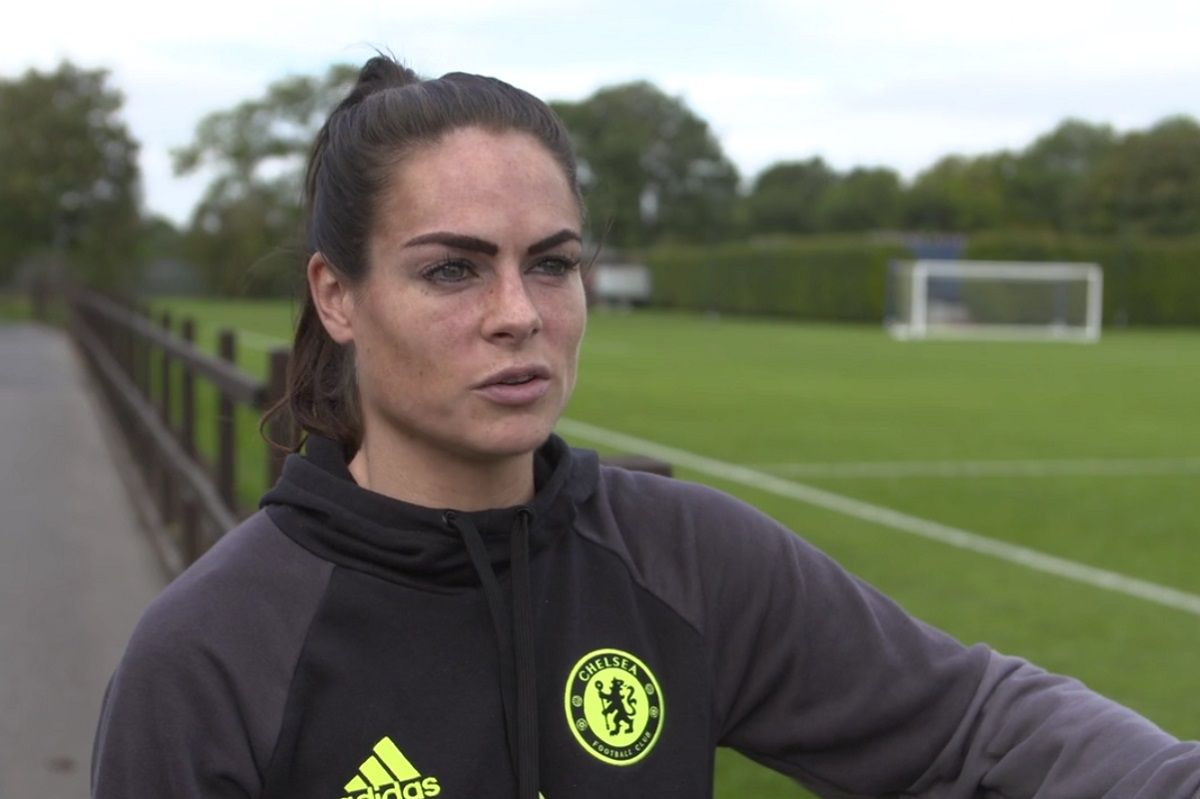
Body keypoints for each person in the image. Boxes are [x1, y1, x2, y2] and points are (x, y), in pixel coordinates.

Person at [91, 55, 1200, 799]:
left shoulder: (683, 558)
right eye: (452, 269)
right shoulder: (215, 652)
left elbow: (973, 721)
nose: (520, 313)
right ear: (337, 295)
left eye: (552, 263)